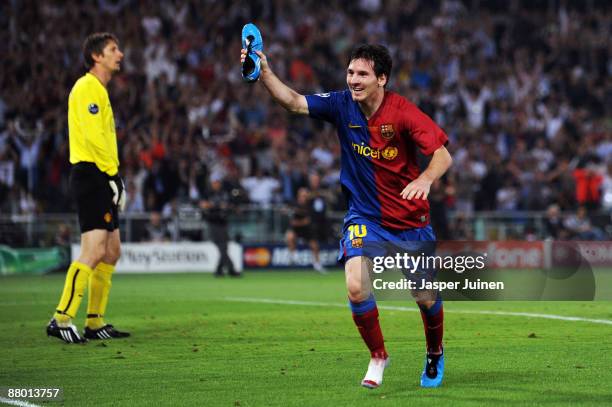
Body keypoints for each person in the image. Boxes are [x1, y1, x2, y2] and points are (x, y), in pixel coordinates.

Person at [241, 41, 452, 387]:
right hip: (364, 217)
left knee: (425, 298)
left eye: (362, 74)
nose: (353, 79)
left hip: (410, 221)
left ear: (382, 79)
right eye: (351, 72)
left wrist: (426, 178)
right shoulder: (341, 104)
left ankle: (434, 352)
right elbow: (293, 102)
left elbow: (443, 155)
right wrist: (264, 70)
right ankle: (378, 356)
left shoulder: (403, 112)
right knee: (356, 287)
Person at [46, 32, 130, 343]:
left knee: (111, 251)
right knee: (93, 251)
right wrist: (111, 176)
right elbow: (95, 139)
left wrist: (114, 175)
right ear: (97, 56)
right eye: (113, 49)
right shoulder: (87, 88)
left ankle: (95, 322)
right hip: (93, 173)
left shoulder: (98, 90)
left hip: (102, 173)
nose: (119, 54)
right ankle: (61, 318)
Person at [200, 175, 240, 277]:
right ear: (212, 183)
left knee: (224, 247)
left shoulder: (224, 193)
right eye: (215, 182)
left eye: (218, 182)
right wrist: (218, 205)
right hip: (213, 222)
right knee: (222, 247)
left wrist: (230, 207)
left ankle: (219, 270)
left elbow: (229, 204)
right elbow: (203, 205)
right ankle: (231, 269)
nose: (216, 184)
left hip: (223, 222)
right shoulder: (207, 193)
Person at [286, 187, 325, 272]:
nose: (303, 197)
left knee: (314, 246)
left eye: (305, 195)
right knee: (289, 236)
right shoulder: (294, 204)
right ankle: (293, 257)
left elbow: (308, 221)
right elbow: (292, 221)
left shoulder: (310, 205)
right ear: (298, 196)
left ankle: (317, 264)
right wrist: (301, 221)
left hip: (307, 229)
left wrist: (300, 222)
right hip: (296, 229)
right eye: (302, 195)